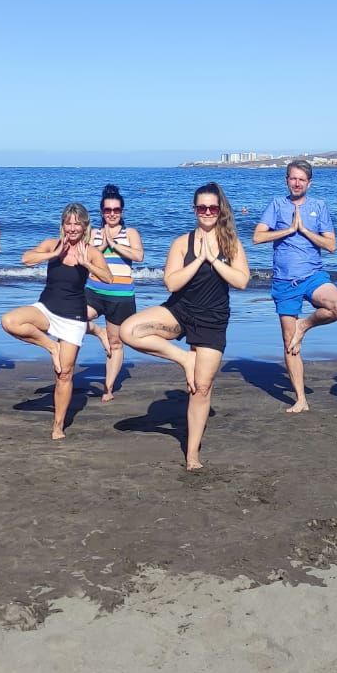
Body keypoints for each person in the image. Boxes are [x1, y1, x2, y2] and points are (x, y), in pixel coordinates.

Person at [119, 184, 251, 470]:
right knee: (128, 331)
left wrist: (213, 259)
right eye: (202, 208)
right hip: (179, 311)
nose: (207, 212)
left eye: (212, 208)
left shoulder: (231, 243)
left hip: (212, 319)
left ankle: (192, 455)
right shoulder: (182, 243)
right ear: (194, 210)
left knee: (200, 389)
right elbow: (171, 283)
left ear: (220, 210)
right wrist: (199, 259)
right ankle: (184, 358)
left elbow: (241, 281)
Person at [1, 203, 113, 441]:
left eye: (77, 224)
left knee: (64, 373)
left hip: (73, 317)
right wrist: (52, 255)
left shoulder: (90, 251)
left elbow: (108, 278)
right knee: (10, 321)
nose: (72, 228)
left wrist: (87, 264)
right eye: (68, 223)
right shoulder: (53, 244)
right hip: (46, 308)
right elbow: (26, 258)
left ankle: (58, 425)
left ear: (85, 226)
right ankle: (51, 347)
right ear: (63, 225)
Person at [252, 159, 337, 412]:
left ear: (309, 183)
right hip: (284, 281)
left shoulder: (319, 206)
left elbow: (331, 245)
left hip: (313, 276)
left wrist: (304, 230)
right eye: (293, 178)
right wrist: (288, 230)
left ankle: (304, 325)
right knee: (289, 341)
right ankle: (301, 399)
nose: (297, 183)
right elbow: (257, 237)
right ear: (287, 180)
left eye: (301, 179)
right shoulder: (277, 205)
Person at [85, 184, 144, 402]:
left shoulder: (130, 233)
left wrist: (115, 245)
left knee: (116, 342)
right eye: (108, 210)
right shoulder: (93, 233)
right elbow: (85, 258)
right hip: (93, 291)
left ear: (122, 211)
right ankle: (98, 331)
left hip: (121, 296)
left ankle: (108, 388)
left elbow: (138, 256)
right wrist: (103, 246)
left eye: (116, 210)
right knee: (74, 320)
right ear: (102, 212)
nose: (112, 214)